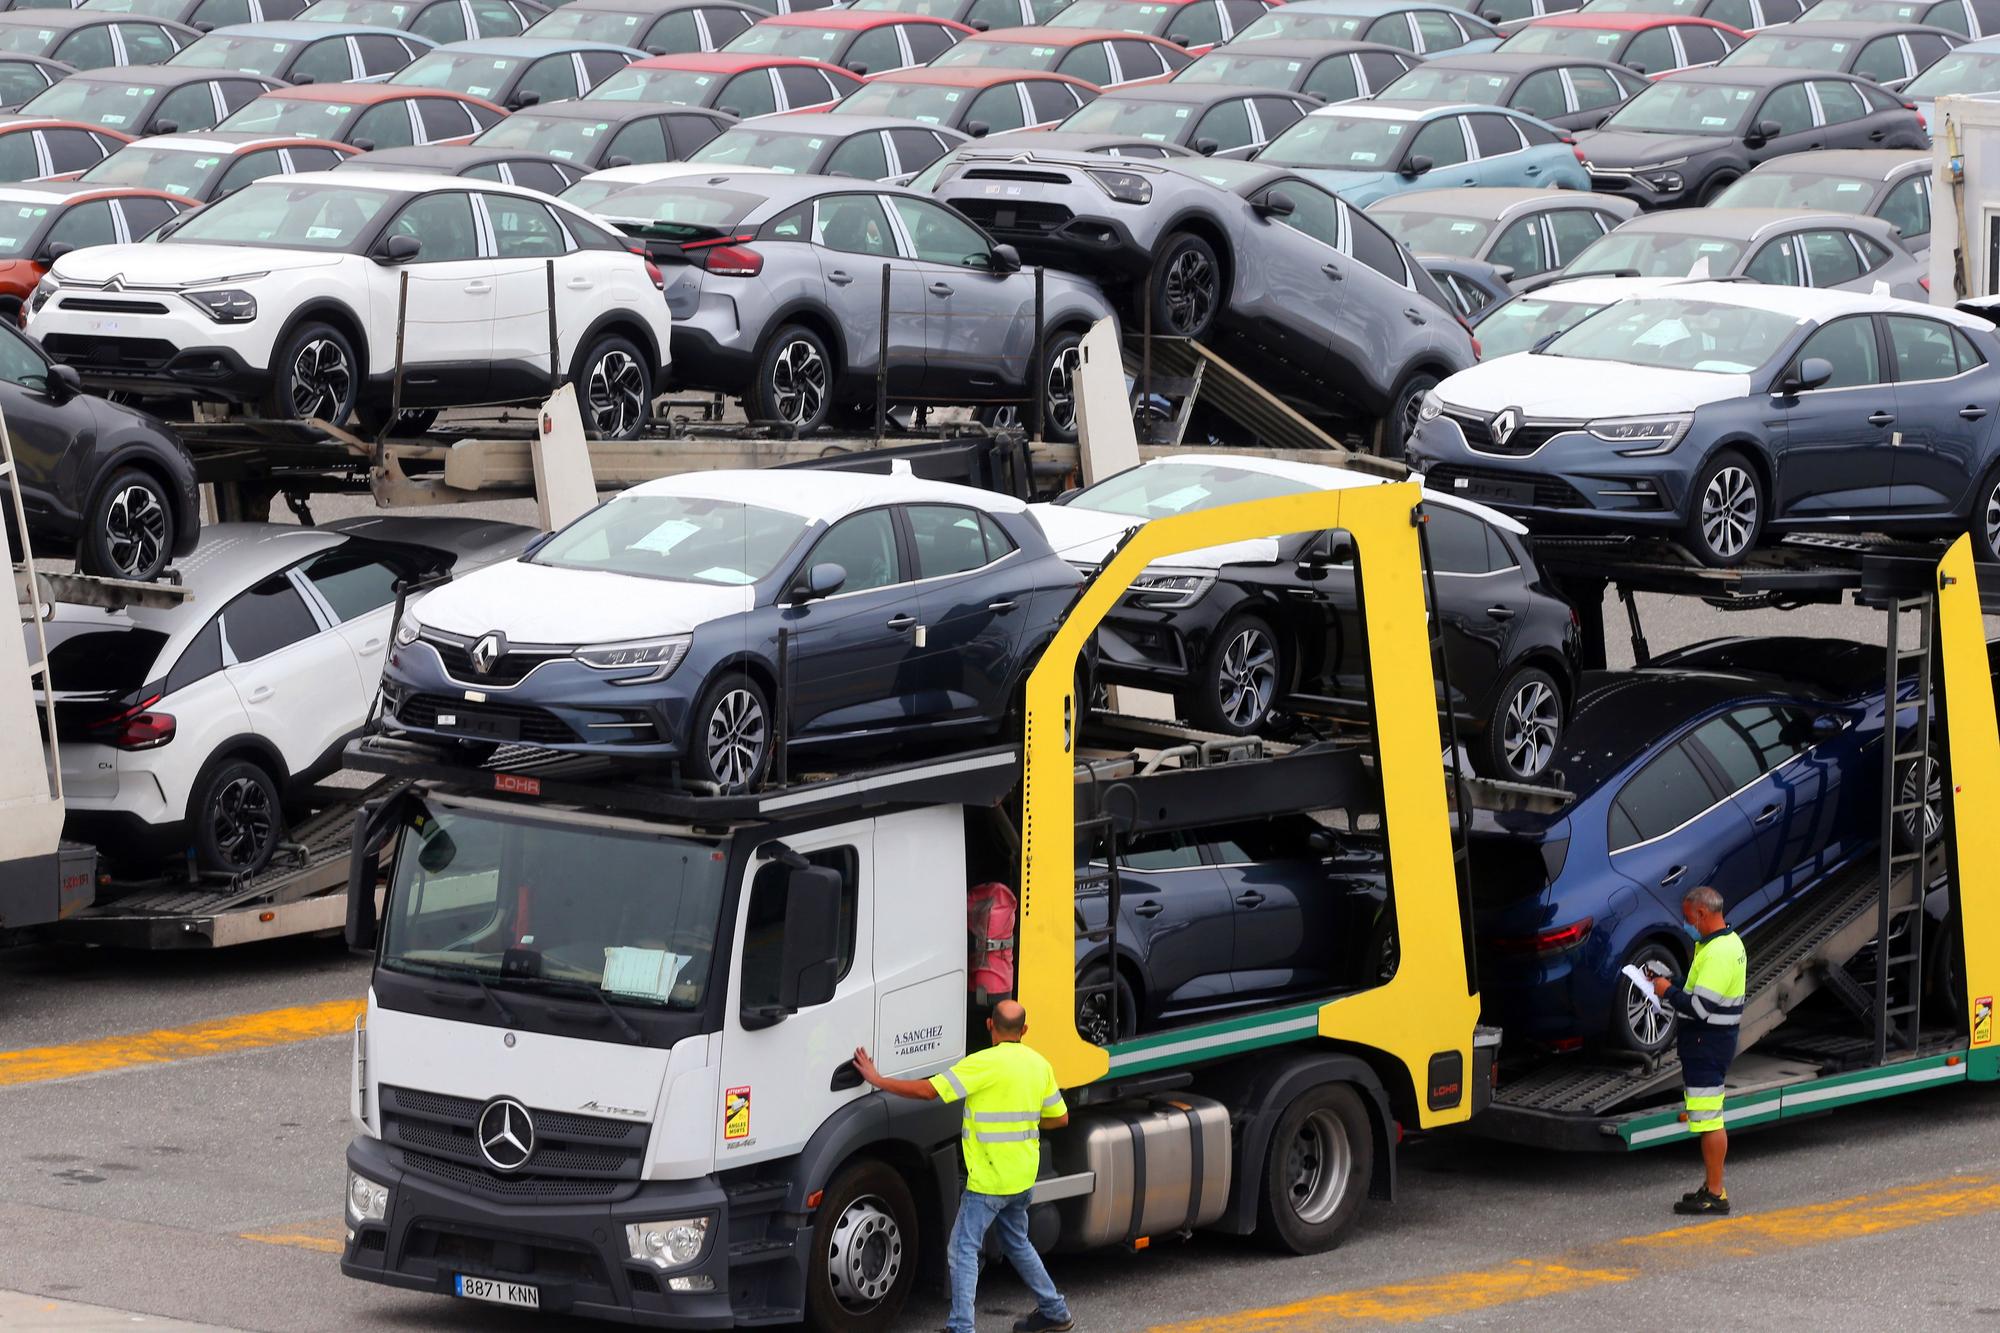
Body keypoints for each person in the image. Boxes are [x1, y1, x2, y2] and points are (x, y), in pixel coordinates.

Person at [852, 1000, 1075, 1333]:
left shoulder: (982, 1064)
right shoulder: (1038, 1065)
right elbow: (1060, 1117)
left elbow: (929, 1092)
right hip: (1022, 1177)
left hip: (989, 1180)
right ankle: (1055, 1312)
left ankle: (961, 1327)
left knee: (962, 1249)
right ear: (1024, 1030)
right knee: (1017, 1242)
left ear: (989, 1026)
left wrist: (878, 1079)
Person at [1650, 884, 1746, 1215]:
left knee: (1709, 1119)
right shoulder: (1722, 943)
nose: (1686, 923)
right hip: (1710, 1042)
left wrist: (1665, 992)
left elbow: (1700, 1008)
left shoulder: (1718, 953)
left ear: (1703, 914)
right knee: (1707, 1116)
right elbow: (1697, 987)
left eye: (1689, 918)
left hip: (1708, 1043)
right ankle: (1711, 1186)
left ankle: (1716, 1194)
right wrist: (1673, 983)